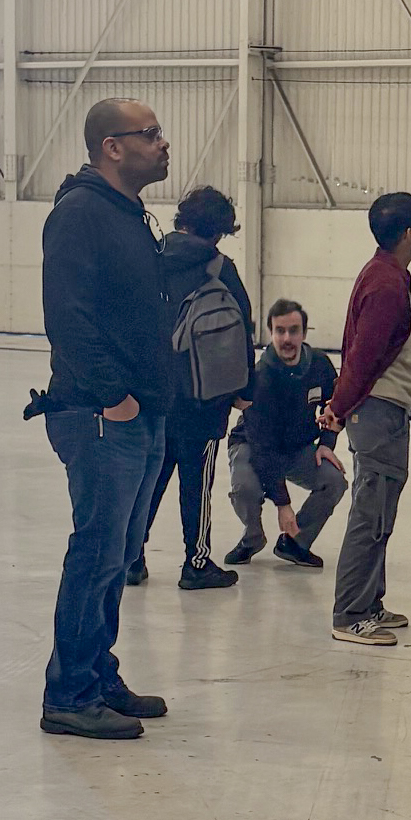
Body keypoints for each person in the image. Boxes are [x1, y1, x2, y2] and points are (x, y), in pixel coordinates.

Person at [32, 97, 177, 740]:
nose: (163, 142)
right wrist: (112, 395)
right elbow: (68, 317)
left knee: (117, 555)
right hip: (99, 415)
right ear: (111, 147)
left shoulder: (129, 214)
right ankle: (68, 694)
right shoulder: (80, 214)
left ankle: (96, 673)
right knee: (95, 552)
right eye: (149, 134)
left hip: (138, 415)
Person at [321, 193, 411, 645]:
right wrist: (338, 410)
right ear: (407, 231)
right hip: (379, 412)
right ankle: (351, 613)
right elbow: (361, 359)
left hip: (386, 409)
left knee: (380, 510)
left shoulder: (387, 274)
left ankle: (370, 602)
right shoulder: (386, 283)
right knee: (371, 512)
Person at [138, 186, 253, 591]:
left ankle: (132, 557)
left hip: (154, 394)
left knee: (152, 477)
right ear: (220, 230)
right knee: (197, 481)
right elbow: (244, 329)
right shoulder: (220, 269)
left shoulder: (151, 260)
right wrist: (244, 390)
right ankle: (197, 562)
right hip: (205, 397)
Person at [227, 299, 348, 567]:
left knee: (335, 480)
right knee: (246, 487)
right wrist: (283, 503)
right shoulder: (260, 377)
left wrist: (327, 442)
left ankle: (296, 542)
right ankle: (252, 536)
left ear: (304, 333)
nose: (287, 338)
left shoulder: (319, 364)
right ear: (270, 333)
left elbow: (337, 404)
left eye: (293, 330)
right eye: (280, 331)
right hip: (253, 446)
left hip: (296, 448)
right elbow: (263, 449)